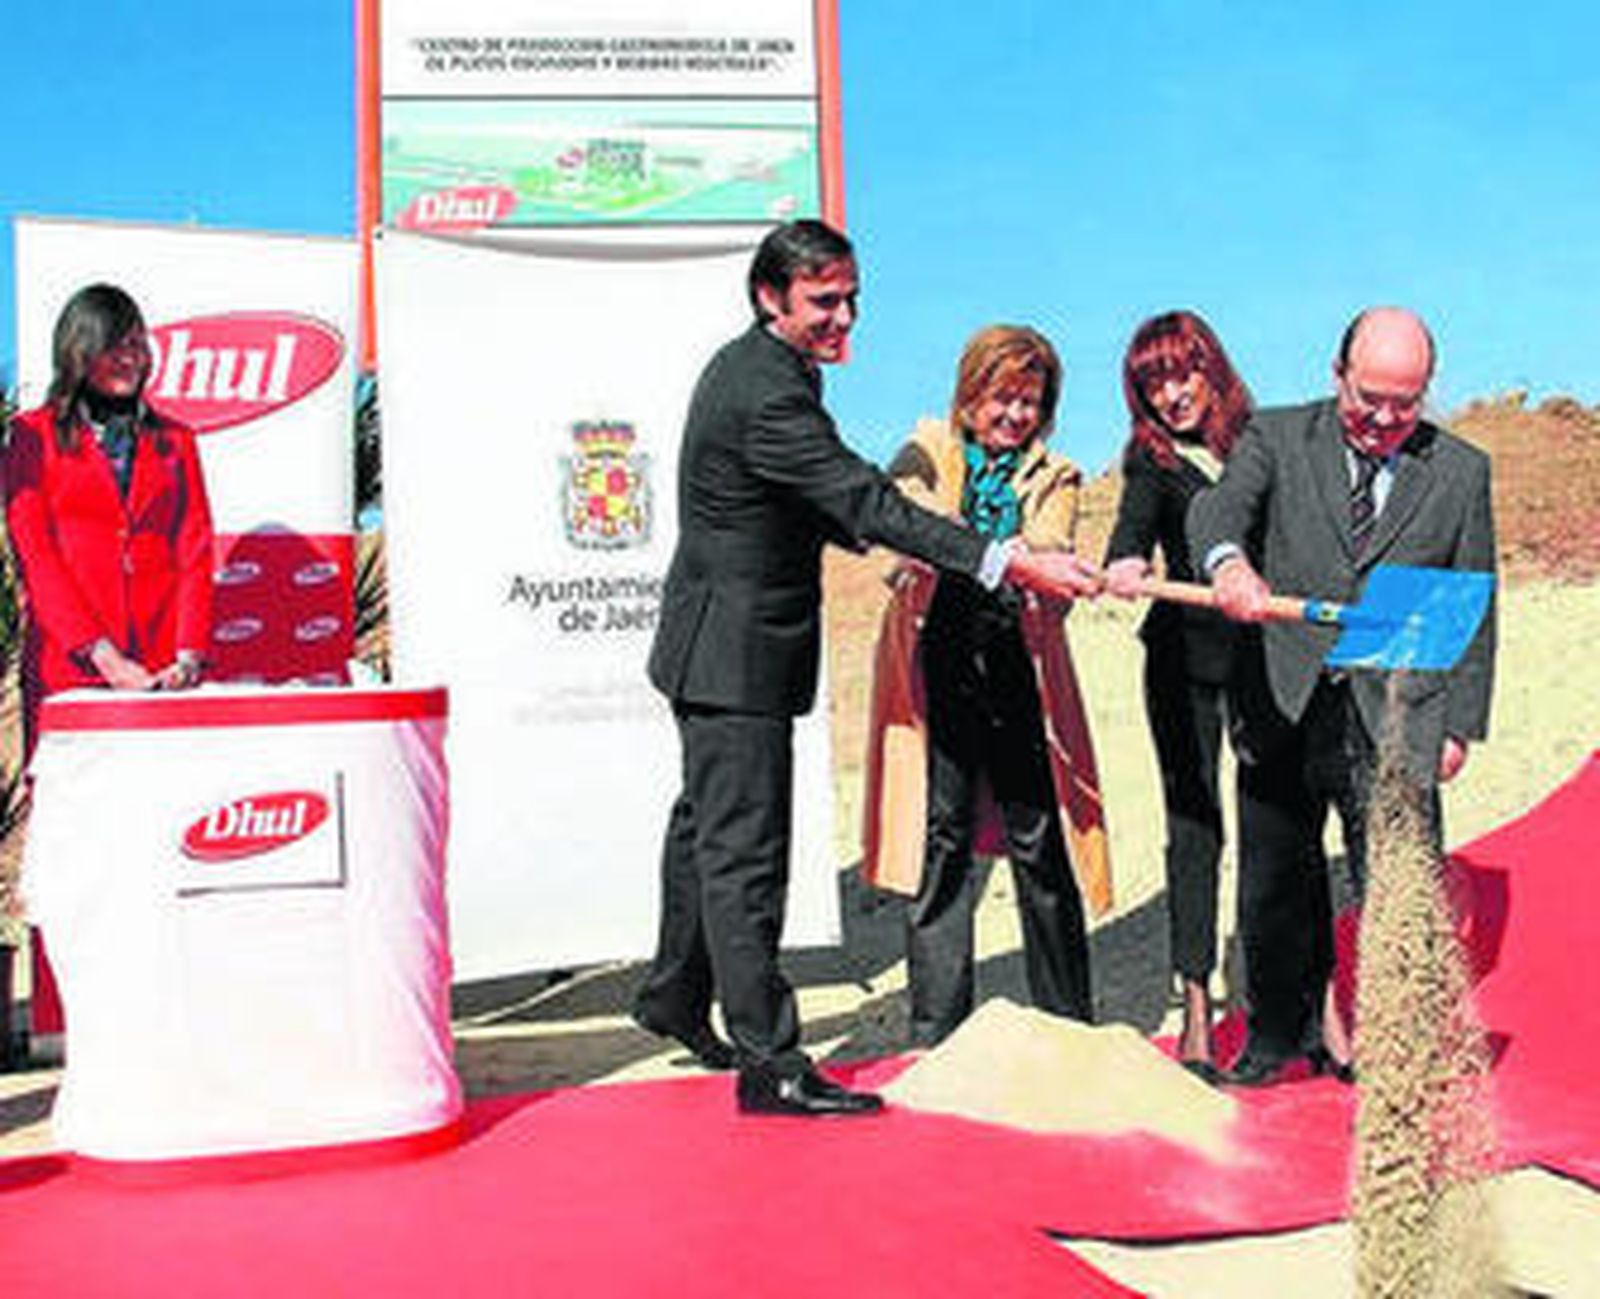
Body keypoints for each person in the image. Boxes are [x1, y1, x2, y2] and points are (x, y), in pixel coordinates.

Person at [632, 221, 1103, 1117]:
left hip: (721, 643)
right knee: (745, 852)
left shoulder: (775, 371)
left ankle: (674, 992)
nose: (846, 316)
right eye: (824, 302)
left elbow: (824, 501)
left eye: (852, 298)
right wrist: (1006, 560)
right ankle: (769, 1061)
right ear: (771, 298)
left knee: (704, 828)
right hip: (734, 652)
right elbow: (861, 500)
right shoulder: (765, 389)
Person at [1187, 306, 1496, 1086]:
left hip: (1394, 709)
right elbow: (1217, 510)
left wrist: (1460, 722)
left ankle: (1399, 1048)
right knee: (1274, 878)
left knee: (1397, 879)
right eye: (1369, 400)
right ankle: (1278, 1040)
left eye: (1406, 403)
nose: (1385, 420)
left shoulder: (1461, 471)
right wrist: (1228, 565)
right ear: (1337, 377)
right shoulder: (1278, 438)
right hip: (1282, 694)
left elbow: (1472, 599)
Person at [861, 324, 1108, 1048]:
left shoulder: (1057, 474)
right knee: (943, 836)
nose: (1014, 414)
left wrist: (1026, 566)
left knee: (1038, 834)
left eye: (1030, 401)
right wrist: (977, 550)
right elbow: (901, 529)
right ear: (969, 398)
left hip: (1016, 663)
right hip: (934, 662)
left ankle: (1071, 1025)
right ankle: (936, 1028)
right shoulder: (928, 450)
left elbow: (1052, 552)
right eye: (1001, 397)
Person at [5, 283, 215, 1056]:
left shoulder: (176, 440)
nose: (131, 357)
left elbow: (196, 545)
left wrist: (187, 650)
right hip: (74, 672)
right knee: (77, 848)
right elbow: (39, 557)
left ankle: (158, 1015)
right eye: (115, 343)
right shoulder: (30, 439)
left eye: (138, 343)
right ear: (78, 348)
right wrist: (103, 657)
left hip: (162, 673)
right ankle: (66, 1024)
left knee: (160, 843)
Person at [1101, 311, 1253, 1080]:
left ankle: (1281, 990)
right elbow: (1131, 531)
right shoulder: (1150, 458)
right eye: (1152, 381)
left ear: (1210, 366)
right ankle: (1196, 999)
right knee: (1195, 820)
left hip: (1264, 656)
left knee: (1276, 819)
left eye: (1180, 372)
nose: (1170, 393)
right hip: (1181, 657)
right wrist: (1125, 560)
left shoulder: (1259, 440)